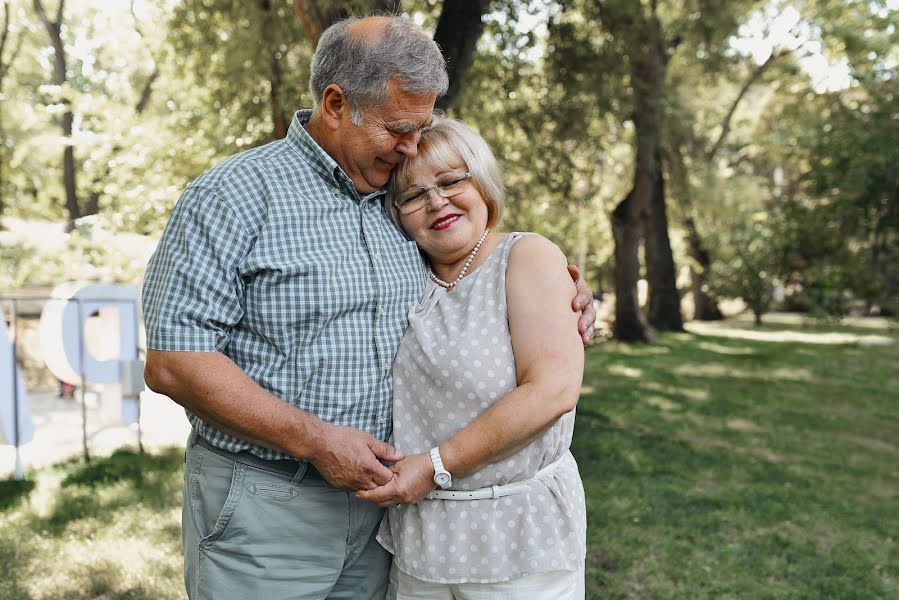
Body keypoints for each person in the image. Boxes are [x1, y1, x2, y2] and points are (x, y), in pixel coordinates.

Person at [142, 15, 595, 600]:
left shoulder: (395, 197)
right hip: (269, 504)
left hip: (387, 517)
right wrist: (316, 441)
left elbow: (474, 275)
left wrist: (561, 294)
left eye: (422, 128)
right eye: (399, 129)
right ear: (335, 104)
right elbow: (174, 362)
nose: (412, 149)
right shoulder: (233, 195)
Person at [356, 117, 586, 598]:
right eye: (413, 195)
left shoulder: (526, 257)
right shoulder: (402, 276)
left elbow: (552, 390)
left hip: (519, 541)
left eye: (450, 180)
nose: (436, 201)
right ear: (396, 214)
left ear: (481, 184)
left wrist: (435, 465)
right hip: (421, 543)